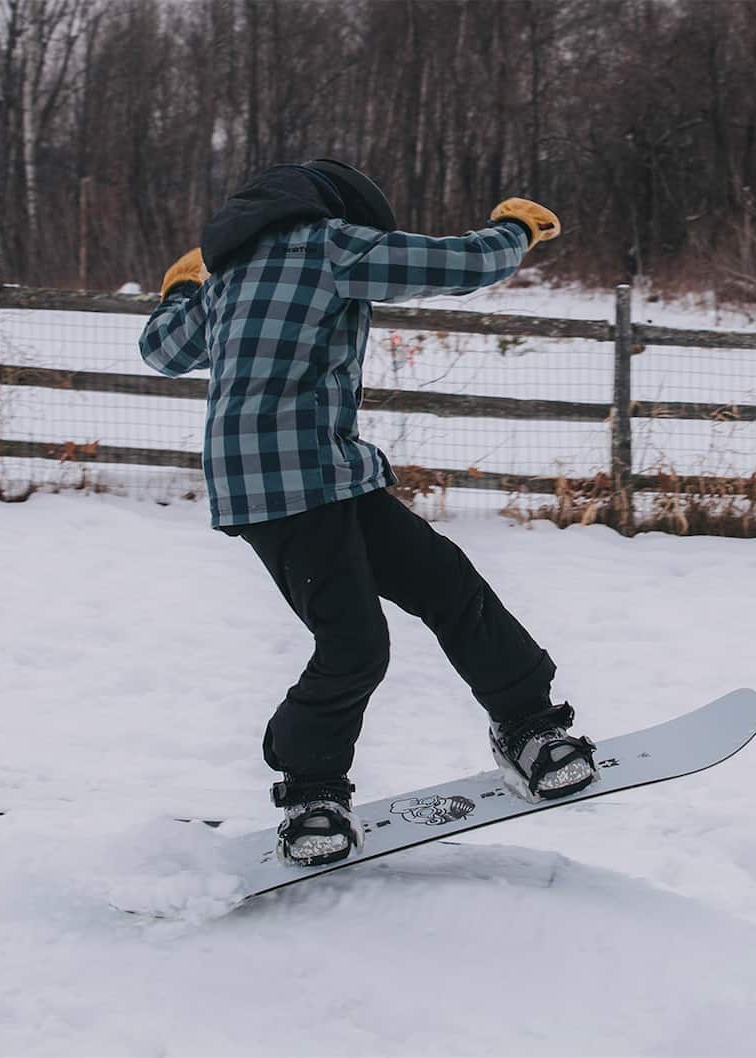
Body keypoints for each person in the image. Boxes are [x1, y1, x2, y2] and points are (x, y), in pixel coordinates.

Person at [138, 159, 597, 867]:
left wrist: (181, 289)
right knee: (354, 644)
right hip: (285, 487)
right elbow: (458, 265)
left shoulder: (228, 277)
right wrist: (514, 229)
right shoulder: (328, 244)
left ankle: (529, 724)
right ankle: (311, 794)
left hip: (324, 474)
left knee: (445, 582)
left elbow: (163, 350)